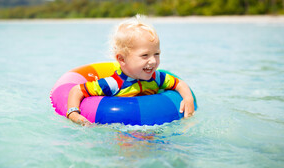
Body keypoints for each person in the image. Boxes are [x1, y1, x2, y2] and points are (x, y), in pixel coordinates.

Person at [67, 15, 195, 125]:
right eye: (145, 55)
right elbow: (77, 90)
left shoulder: (156, 78)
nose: (153, 61)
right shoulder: (113, 84)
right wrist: (73, 112)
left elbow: (179, 83)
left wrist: (188, 98)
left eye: (157, 54)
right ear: (122, 59)